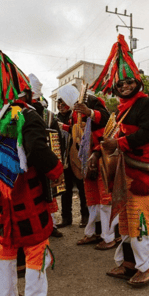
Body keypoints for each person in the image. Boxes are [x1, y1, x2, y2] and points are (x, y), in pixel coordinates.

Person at [93, 34, 149, 287]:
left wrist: (119, 144)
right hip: (124, 172)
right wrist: (95, 153)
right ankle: (129, 264)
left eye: (128, 82)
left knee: (140, 221)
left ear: (138, 82)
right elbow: (108, 135)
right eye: (119, 84)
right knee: (125, 221)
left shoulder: (148, 105)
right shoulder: (120, 109)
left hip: (142, 173)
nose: (124, 86)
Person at [0, 97, 63, 296]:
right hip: (25, 192)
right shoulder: (28, 115)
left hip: (1, 192)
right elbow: (37, 150)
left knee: (6, 245)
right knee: (36, 249)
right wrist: (56, 169)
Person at [57, 84, 118, 250]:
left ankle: (109, 236)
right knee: (92, 199)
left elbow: (106, 119)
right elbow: (75, 130)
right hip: (85, 159)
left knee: (105, 200)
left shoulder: (93, 100)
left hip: (101, 156)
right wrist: (61, 126)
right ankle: (93, 233)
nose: (63, 106)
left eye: (64, 101)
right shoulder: (74, 112)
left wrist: (89, 111)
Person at [25, 73, 64, 238]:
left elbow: (57, 136)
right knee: (40, 193)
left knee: (49, 192)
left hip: (42, 157)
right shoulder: (26, 112)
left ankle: (50, 224)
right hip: (37, 158)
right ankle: (43, 226)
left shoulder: (46, 114)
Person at [56, 90, 90, 228]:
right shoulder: (56, 118)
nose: (60, 106)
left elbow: (81, 131)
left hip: (77, 156)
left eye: (63, 102)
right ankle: (66, 217)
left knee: (82, 187)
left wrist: (65, 128)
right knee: (65, 188)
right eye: (58, 103)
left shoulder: (78, 115)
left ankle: (85, 216)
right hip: (63, 157)